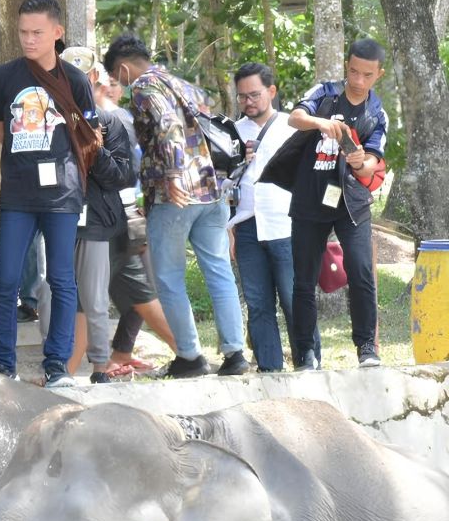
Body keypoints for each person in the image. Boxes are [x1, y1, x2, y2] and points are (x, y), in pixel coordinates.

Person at [104, 33, 249, 378]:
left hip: (175, 197)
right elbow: (209, 111)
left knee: (169, 277)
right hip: (212, 190)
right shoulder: (179, 83)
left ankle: (190, 357)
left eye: (116, 79)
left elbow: (168, 126)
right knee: (218, 271)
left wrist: (171, 174)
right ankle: (236, 354)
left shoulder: (144, 87)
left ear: (124, 69)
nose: (119, 87)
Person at [0, 0, 100, 387]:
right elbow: (1, 130)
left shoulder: (76, 80)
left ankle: (57, 366)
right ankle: (2, 365)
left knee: (62, 281)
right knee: (7, 280)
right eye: (23, 33)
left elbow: (90, 134)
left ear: (56, 32)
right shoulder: (4, 77)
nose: (29, 40)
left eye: (37, 33)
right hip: (17, 193)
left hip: (62, 195)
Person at [276, 39, 388, 370]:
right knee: (304, 279)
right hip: (311, 198)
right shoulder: (325, 92)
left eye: (366, 75)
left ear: (377, 75)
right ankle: (306, 353)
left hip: (351, 202)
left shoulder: (376, 113)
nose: (357, 80)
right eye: (353, 71)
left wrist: (358, 161)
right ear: (346, 65)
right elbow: (294, 118)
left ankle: (367, 347)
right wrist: (320, 123)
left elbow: (373, 164)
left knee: (361, 270)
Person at [56, 48, 137, 384]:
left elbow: (123, 176)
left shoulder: (112, 122)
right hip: (54, 216)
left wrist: (95, 149)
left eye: (82, 75)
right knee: (53, 295)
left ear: (93, 78)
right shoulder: (46, 119)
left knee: (94, 297)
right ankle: (58, 367)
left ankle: (101, 368)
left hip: (95, 222)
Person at [228, 62, 307, 373]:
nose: (249, 102)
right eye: (242, 96)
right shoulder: (232, 131)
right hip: (247, 226)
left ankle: (307, 362)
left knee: (293, 299)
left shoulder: (295, 127)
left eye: (255, 94)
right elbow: (223, 184)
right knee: (258, 304)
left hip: (286, 224)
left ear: (272, 92)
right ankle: (269, 368)